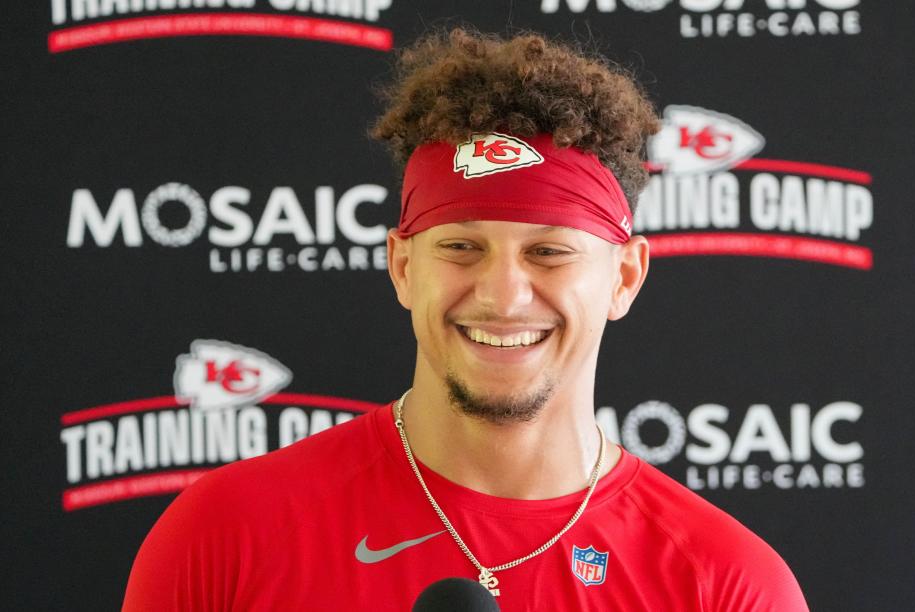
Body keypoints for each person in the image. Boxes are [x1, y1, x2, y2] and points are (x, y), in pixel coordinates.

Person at [122, 28, 808, 611]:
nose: (503, 295)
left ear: (623, 277)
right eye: (460, 247)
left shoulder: (725, 583)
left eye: (548, 252)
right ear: (401, 266)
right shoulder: (224, 534)